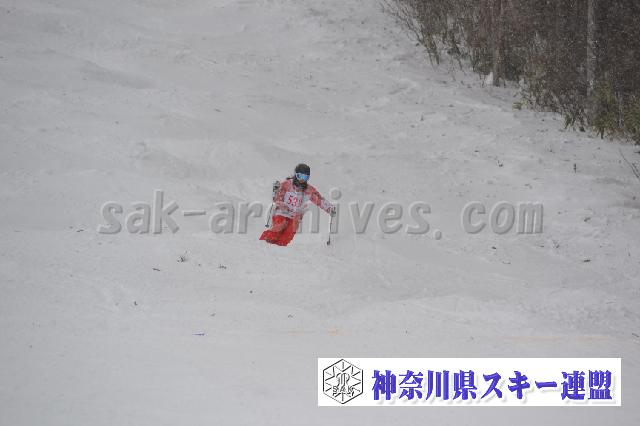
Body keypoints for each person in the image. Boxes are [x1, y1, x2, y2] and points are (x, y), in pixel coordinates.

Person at [260, 163, 335, 246]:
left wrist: (329, 208)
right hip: (281, 212)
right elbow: (277, 199)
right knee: (279, 225)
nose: (302, 180)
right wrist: (276, 191)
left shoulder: (308, 190)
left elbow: (319, 199)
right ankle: (266, 242)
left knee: (289, 232)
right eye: (300, 176)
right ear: (296, 175)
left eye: (305, 177)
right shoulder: (287, 184)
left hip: (295, 216)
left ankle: (280, 247)